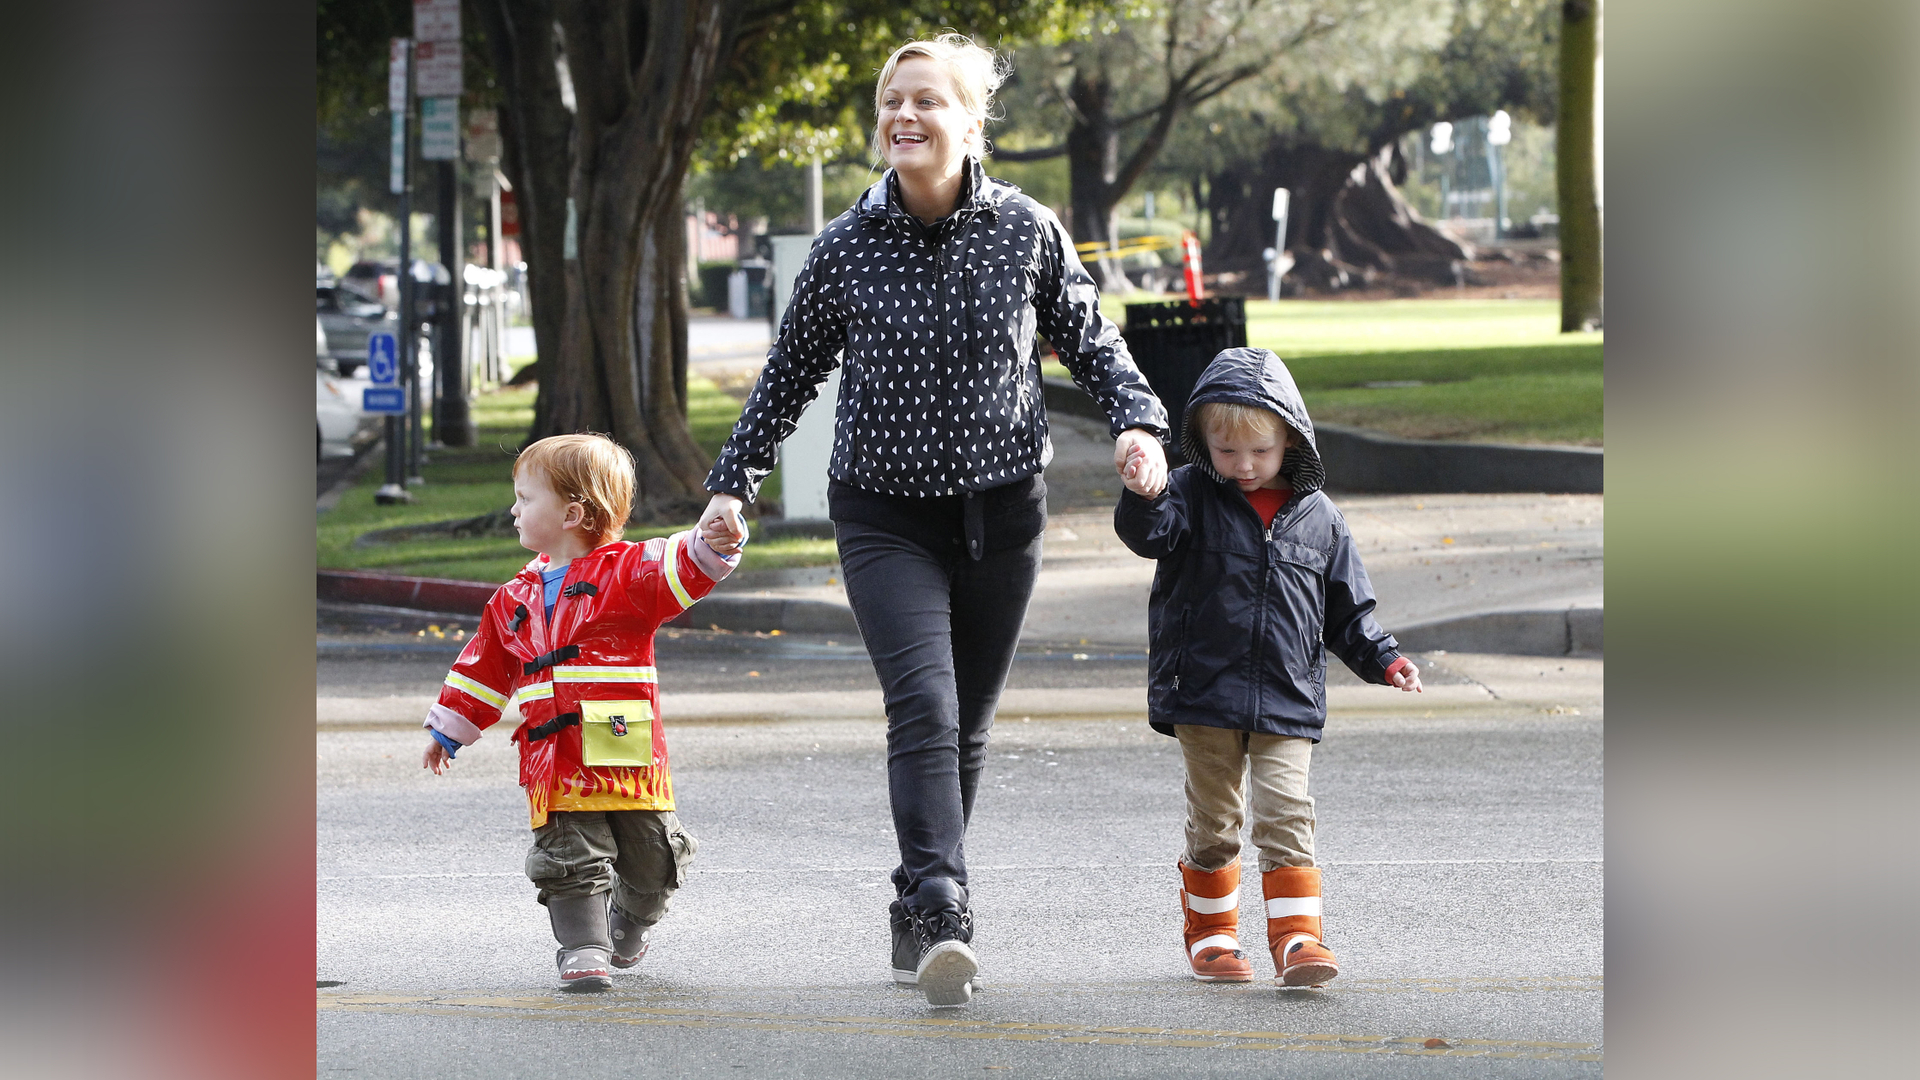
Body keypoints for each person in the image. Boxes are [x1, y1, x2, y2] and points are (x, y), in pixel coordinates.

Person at [698, 34, 1170, 1007]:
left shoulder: (1026, 230)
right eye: (890, 102)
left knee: (969, 726)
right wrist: (731, 483)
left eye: (926, 100)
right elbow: (788, 375)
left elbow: (1091, 338)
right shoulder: (842, 247)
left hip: (1004, 509)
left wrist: (1139, 425)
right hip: (883, 513)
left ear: (970, 119)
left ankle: (916, 901)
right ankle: (948, 902)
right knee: (926, 704)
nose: (903, 117)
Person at [1113, 347, 1423, 987]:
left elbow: (1348, 612)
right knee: (1216, 821)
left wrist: (1385, 658)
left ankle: (1298, 940)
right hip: (1203, 695)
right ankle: (1213, 937)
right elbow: (1150, 534)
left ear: (1290, 441)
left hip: (1287, 697)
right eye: (1227, 453)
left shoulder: (1321, 521)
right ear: (1204, 444)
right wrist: (1145, 492)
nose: (1244, 466)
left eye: (1260, 452)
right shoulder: (1191, 495)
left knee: (1287, 813)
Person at [421, 434, 740, 991]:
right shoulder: (511, 598)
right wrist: (448, 730)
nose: (513, 509)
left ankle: (628, 922)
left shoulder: (630, 573)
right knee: (567, 854)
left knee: (654, 861)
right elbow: (483, 667)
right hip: (555, 755)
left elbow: (685, 563)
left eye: (525, 498)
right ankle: (582, 948)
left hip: (626, 749)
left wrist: (713, 540)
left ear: (572, 513)